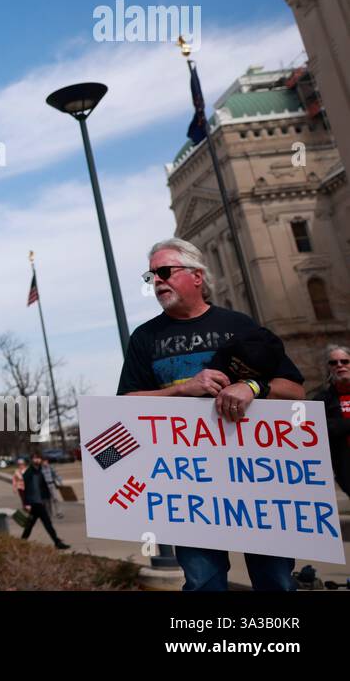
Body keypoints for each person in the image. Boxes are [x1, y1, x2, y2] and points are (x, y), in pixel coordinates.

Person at [117, 237, 305, 591]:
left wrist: (251, 388)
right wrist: (181, 390)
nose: (157, 281)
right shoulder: (145, 338)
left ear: (197, 276)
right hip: (189, 485)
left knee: (277, 581)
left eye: (164, 271)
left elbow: (294, 389)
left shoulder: (240, 325)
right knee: (203, 583)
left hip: (258, 483)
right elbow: (126, 404)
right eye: (152, 275)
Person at [313, 344, 350, 498]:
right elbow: (319, 428)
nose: (340, 365)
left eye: (345, 361)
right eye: (333, 363)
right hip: (345, 465)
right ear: (328, 368)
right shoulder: (322, 400)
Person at [20, 453, 69, 549]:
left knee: (33, 524)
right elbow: (27, 489)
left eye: (38, 458)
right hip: (35, 503)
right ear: (31, 460)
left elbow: (43, 485)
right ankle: (57, 542)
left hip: (39, 502)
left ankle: (22, 542)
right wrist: (27, 503)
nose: (37, 460)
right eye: (35, 458)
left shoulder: (40, 471)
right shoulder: (29, 473)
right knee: (44, 523)